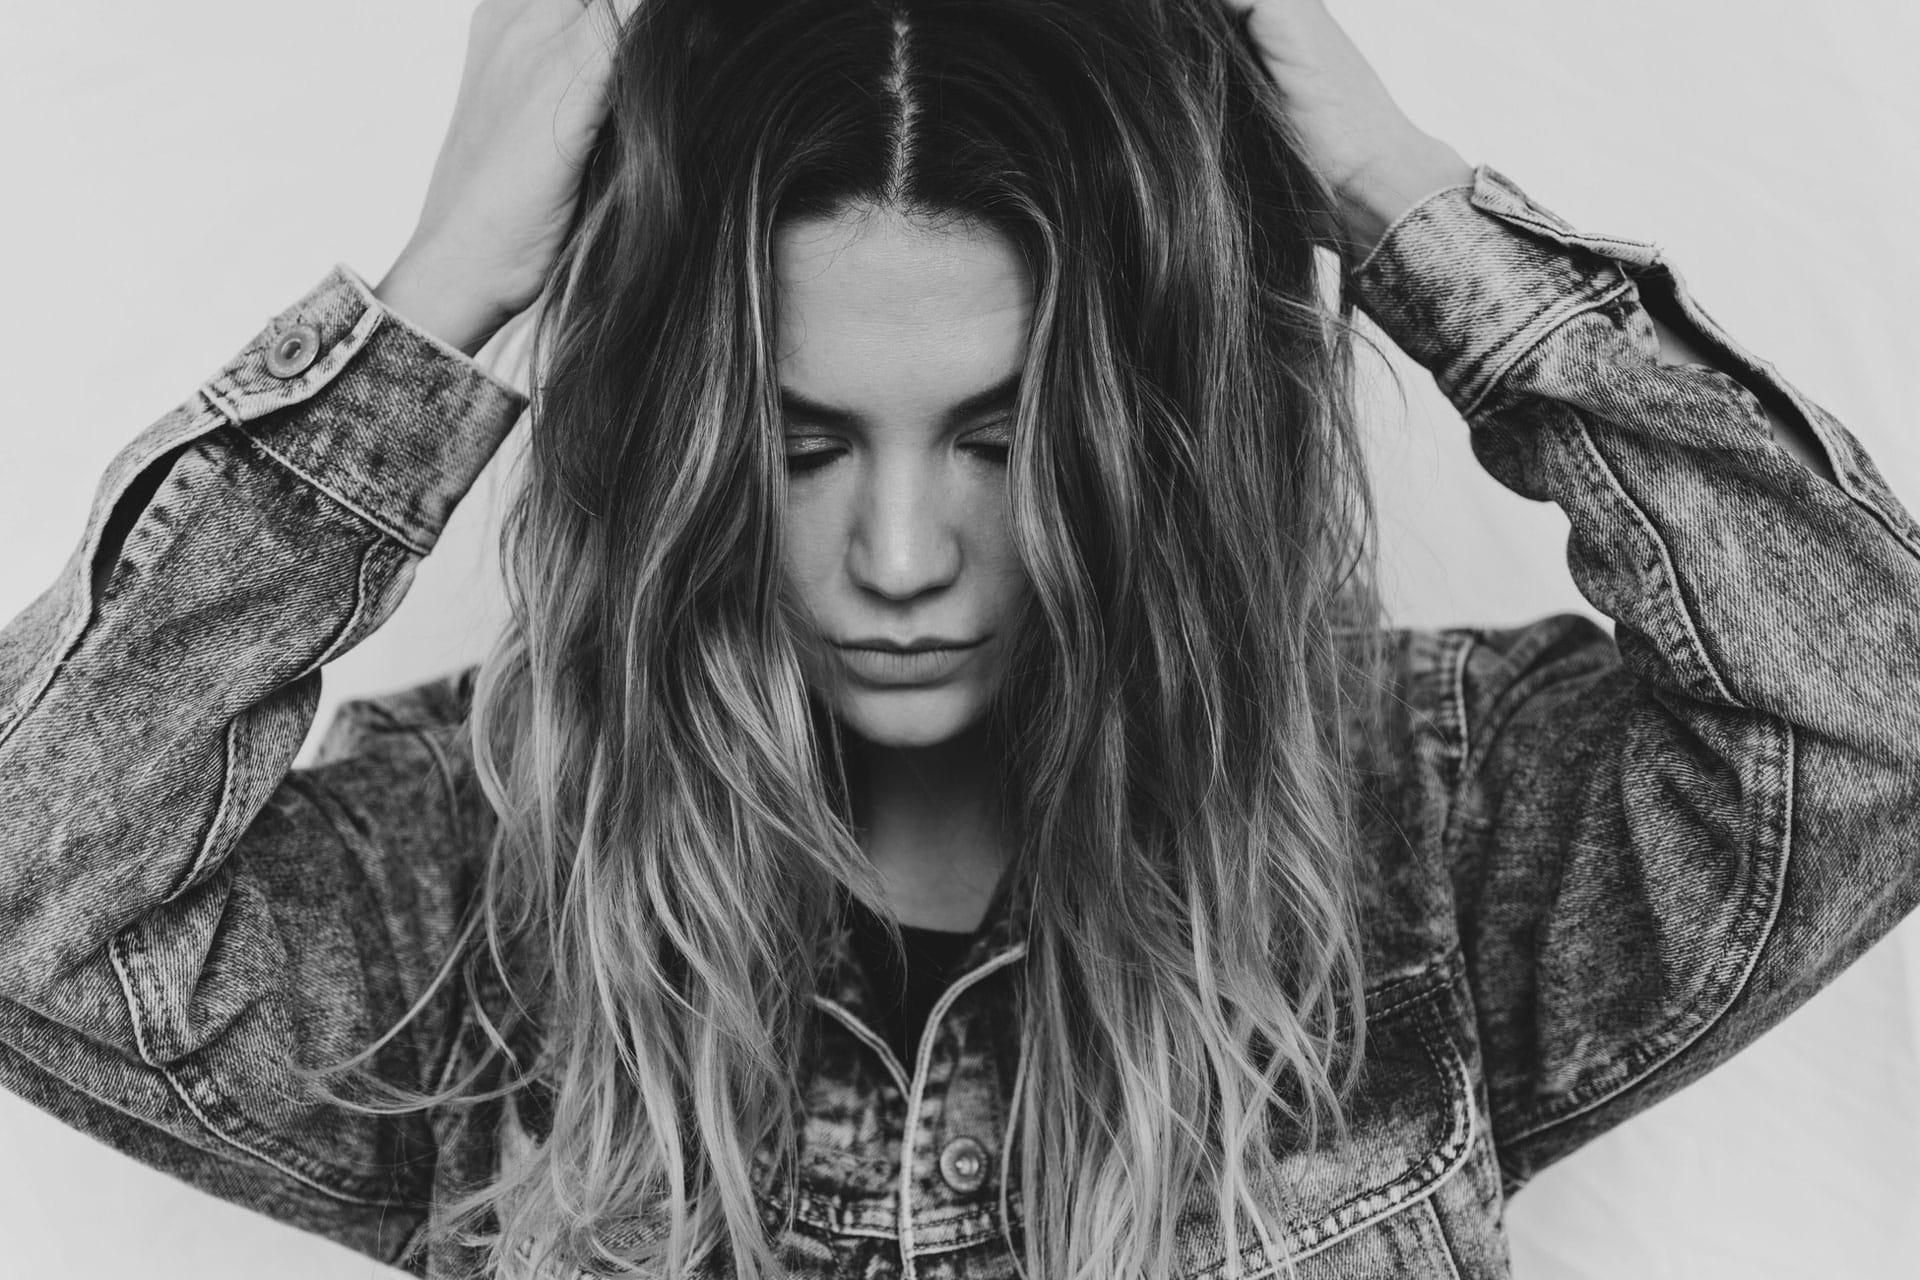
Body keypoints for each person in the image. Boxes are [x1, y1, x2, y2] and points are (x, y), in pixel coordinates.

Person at [0, 0, 1912, 1277]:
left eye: (1002, 441)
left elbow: (1871, 710)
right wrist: (441, 297)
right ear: (680, 448)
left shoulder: (1425, 834)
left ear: (1144, 436)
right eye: (801, 443)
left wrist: (1395, 198)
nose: (902, 555)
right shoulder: (478, 880)